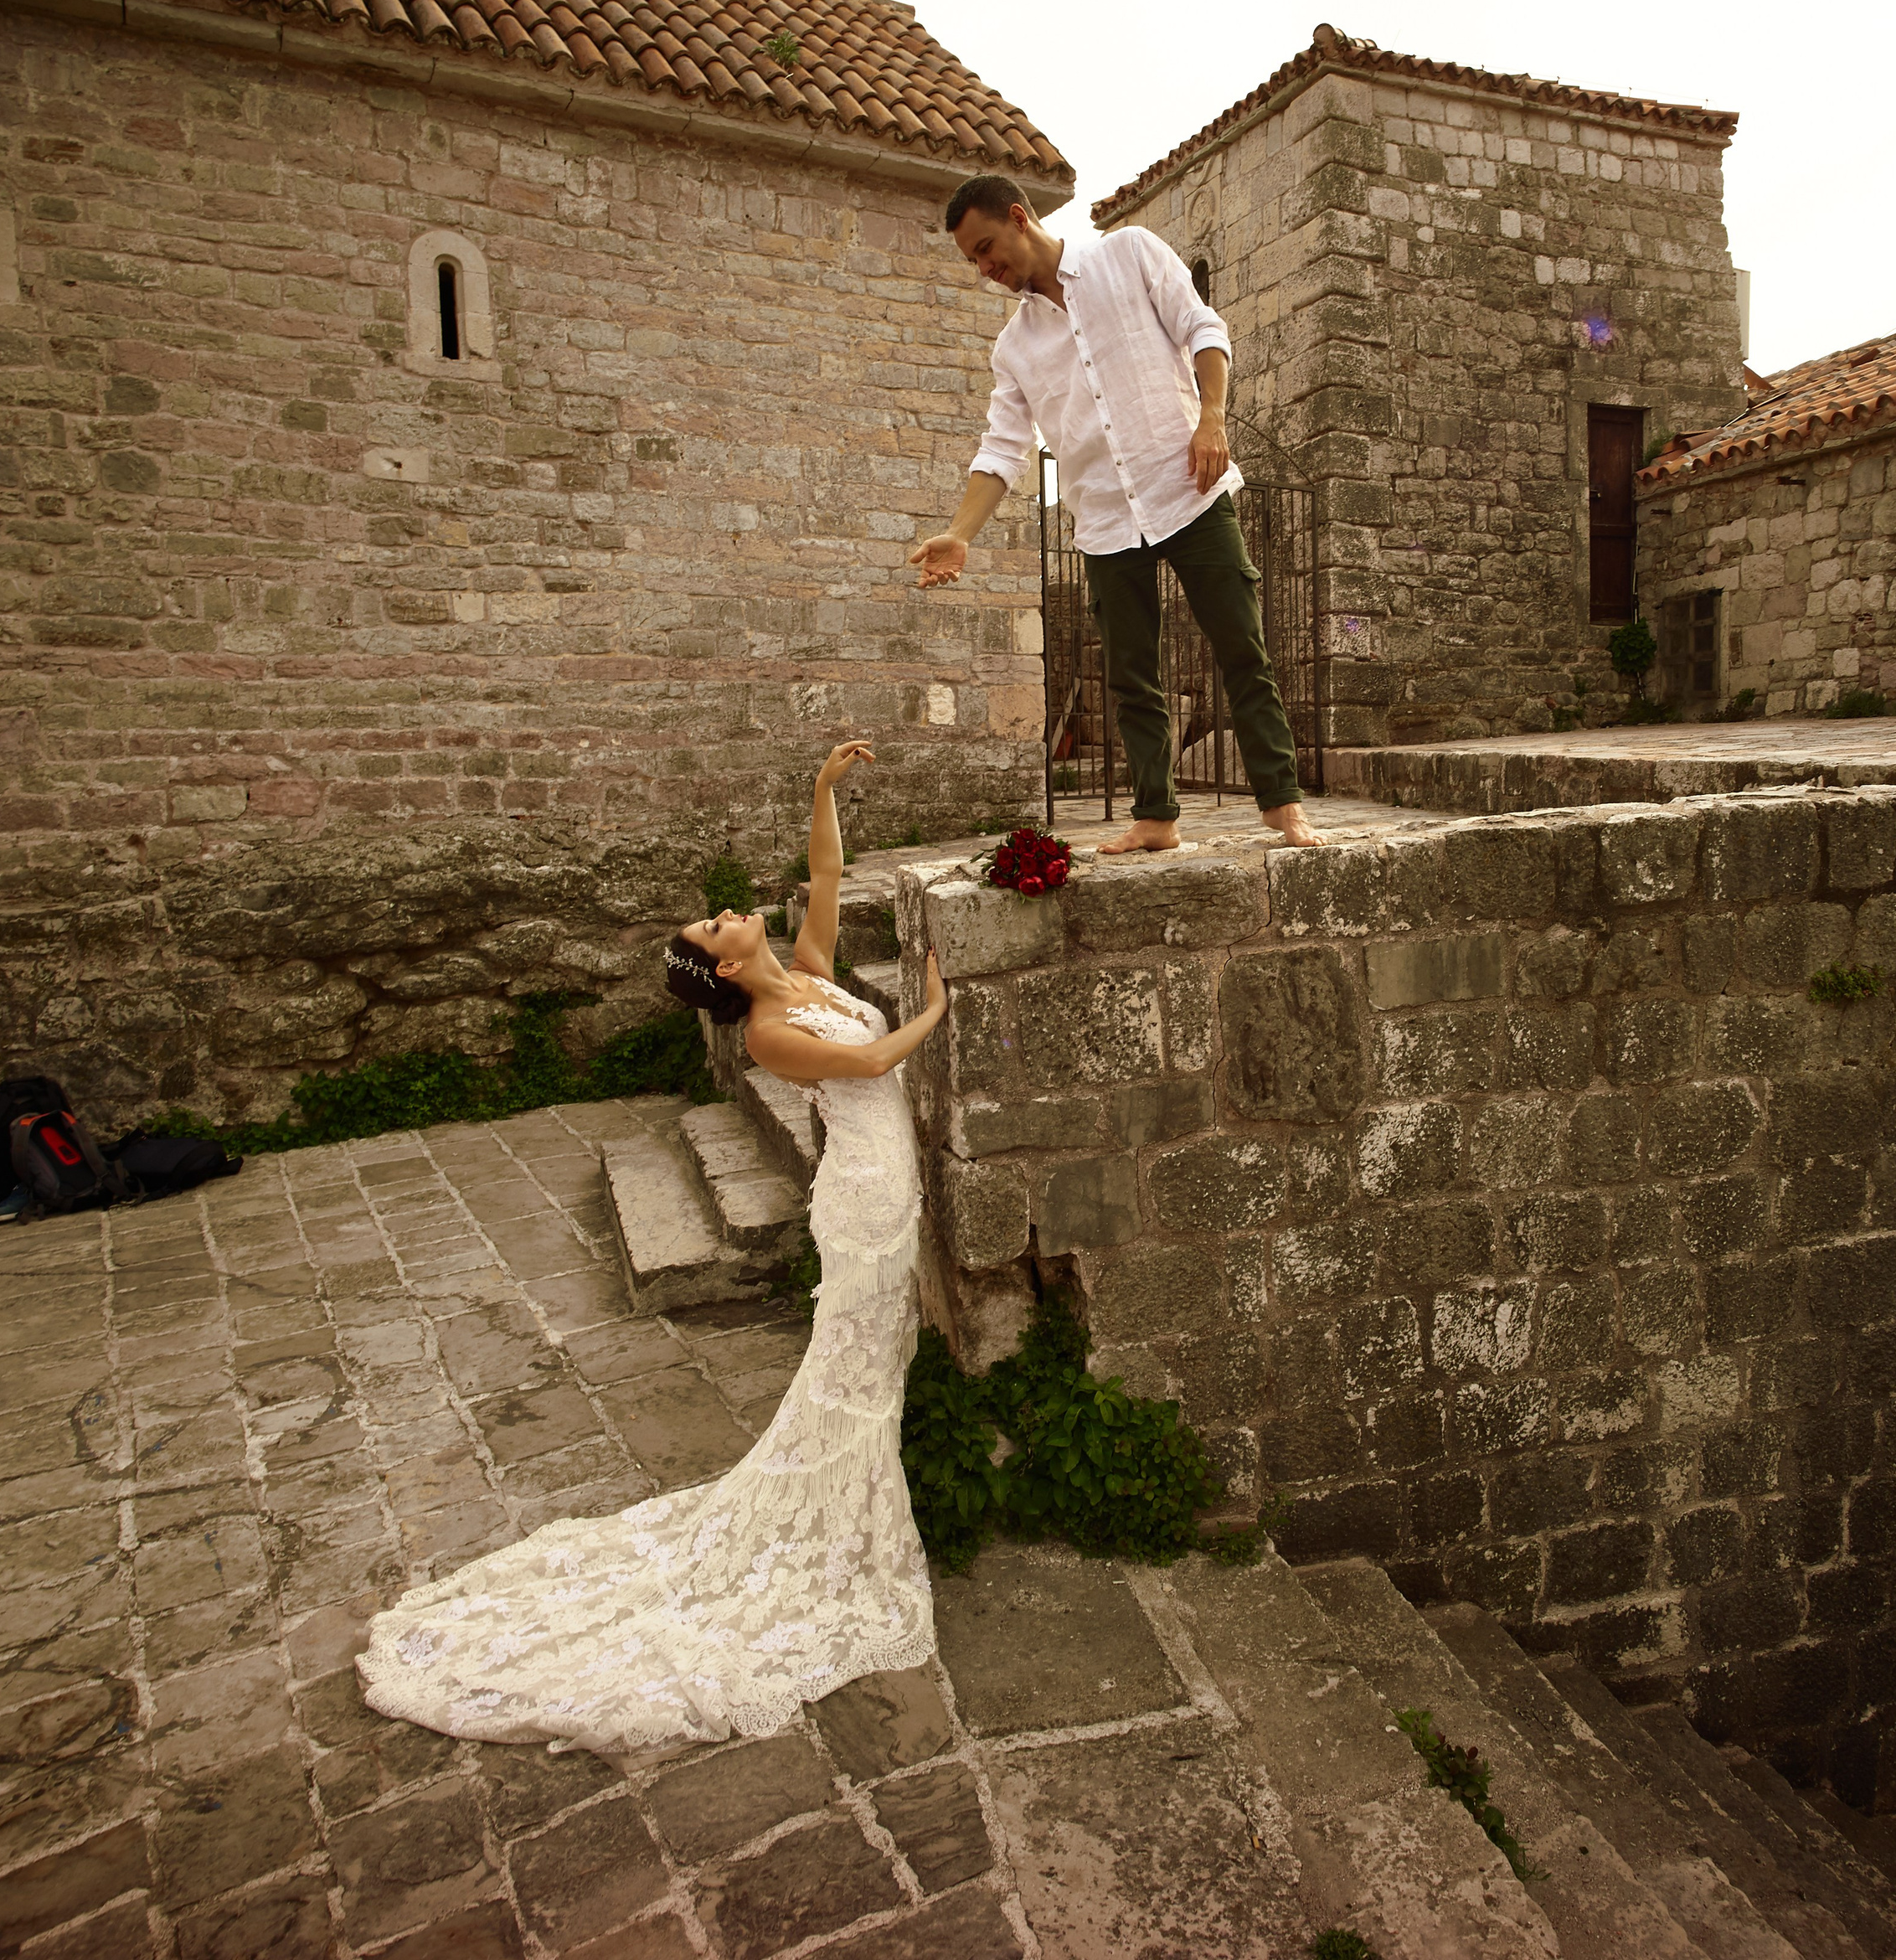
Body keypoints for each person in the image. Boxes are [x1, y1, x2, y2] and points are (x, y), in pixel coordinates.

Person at [358, 739, 950, 1762]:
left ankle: (850, 1501)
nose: (729, 909)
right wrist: (935, 1007)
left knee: (864, 1359)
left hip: (886, 1180)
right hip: (861, 1198)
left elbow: (824, 876)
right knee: (853, 1361)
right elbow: (875, 1054)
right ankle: (838, 1529)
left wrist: (818, 787)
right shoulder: (767, 1029)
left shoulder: (805, 970)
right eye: (716, 923)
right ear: (724, 964)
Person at [911, 174, 1322, 852]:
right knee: (1133, 678)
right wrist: (959, 533)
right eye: (974, 262)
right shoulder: (1013, 349)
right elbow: (1002, 449)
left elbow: (1203, 328)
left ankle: (1284, 809)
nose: (986, 270)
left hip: (1190, 486)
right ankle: (1155, 819)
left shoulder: (1128, 254)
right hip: (1103, 521)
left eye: (987, 249)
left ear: (1020, 218)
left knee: (1243, 653)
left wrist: (1212, 418)